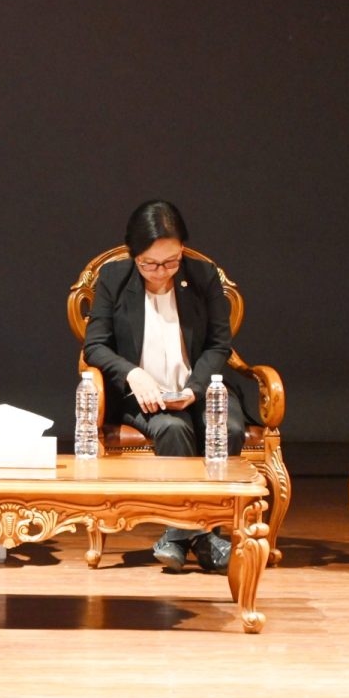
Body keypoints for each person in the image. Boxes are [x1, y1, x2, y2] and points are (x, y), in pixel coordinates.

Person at [83, 200, 244, 572]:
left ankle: (177, 535)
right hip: (141, 395)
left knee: (228, 428)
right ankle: (204, 537)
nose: (160, 272)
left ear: (182, 249)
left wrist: (194, 389)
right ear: (133, 254)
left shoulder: (203, 276)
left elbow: (219, 344)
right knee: (172, 428)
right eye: (149, 264)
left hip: (197, 389)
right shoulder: (113, 278)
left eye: (171, 262)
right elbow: (95, 346)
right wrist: (132, 373)